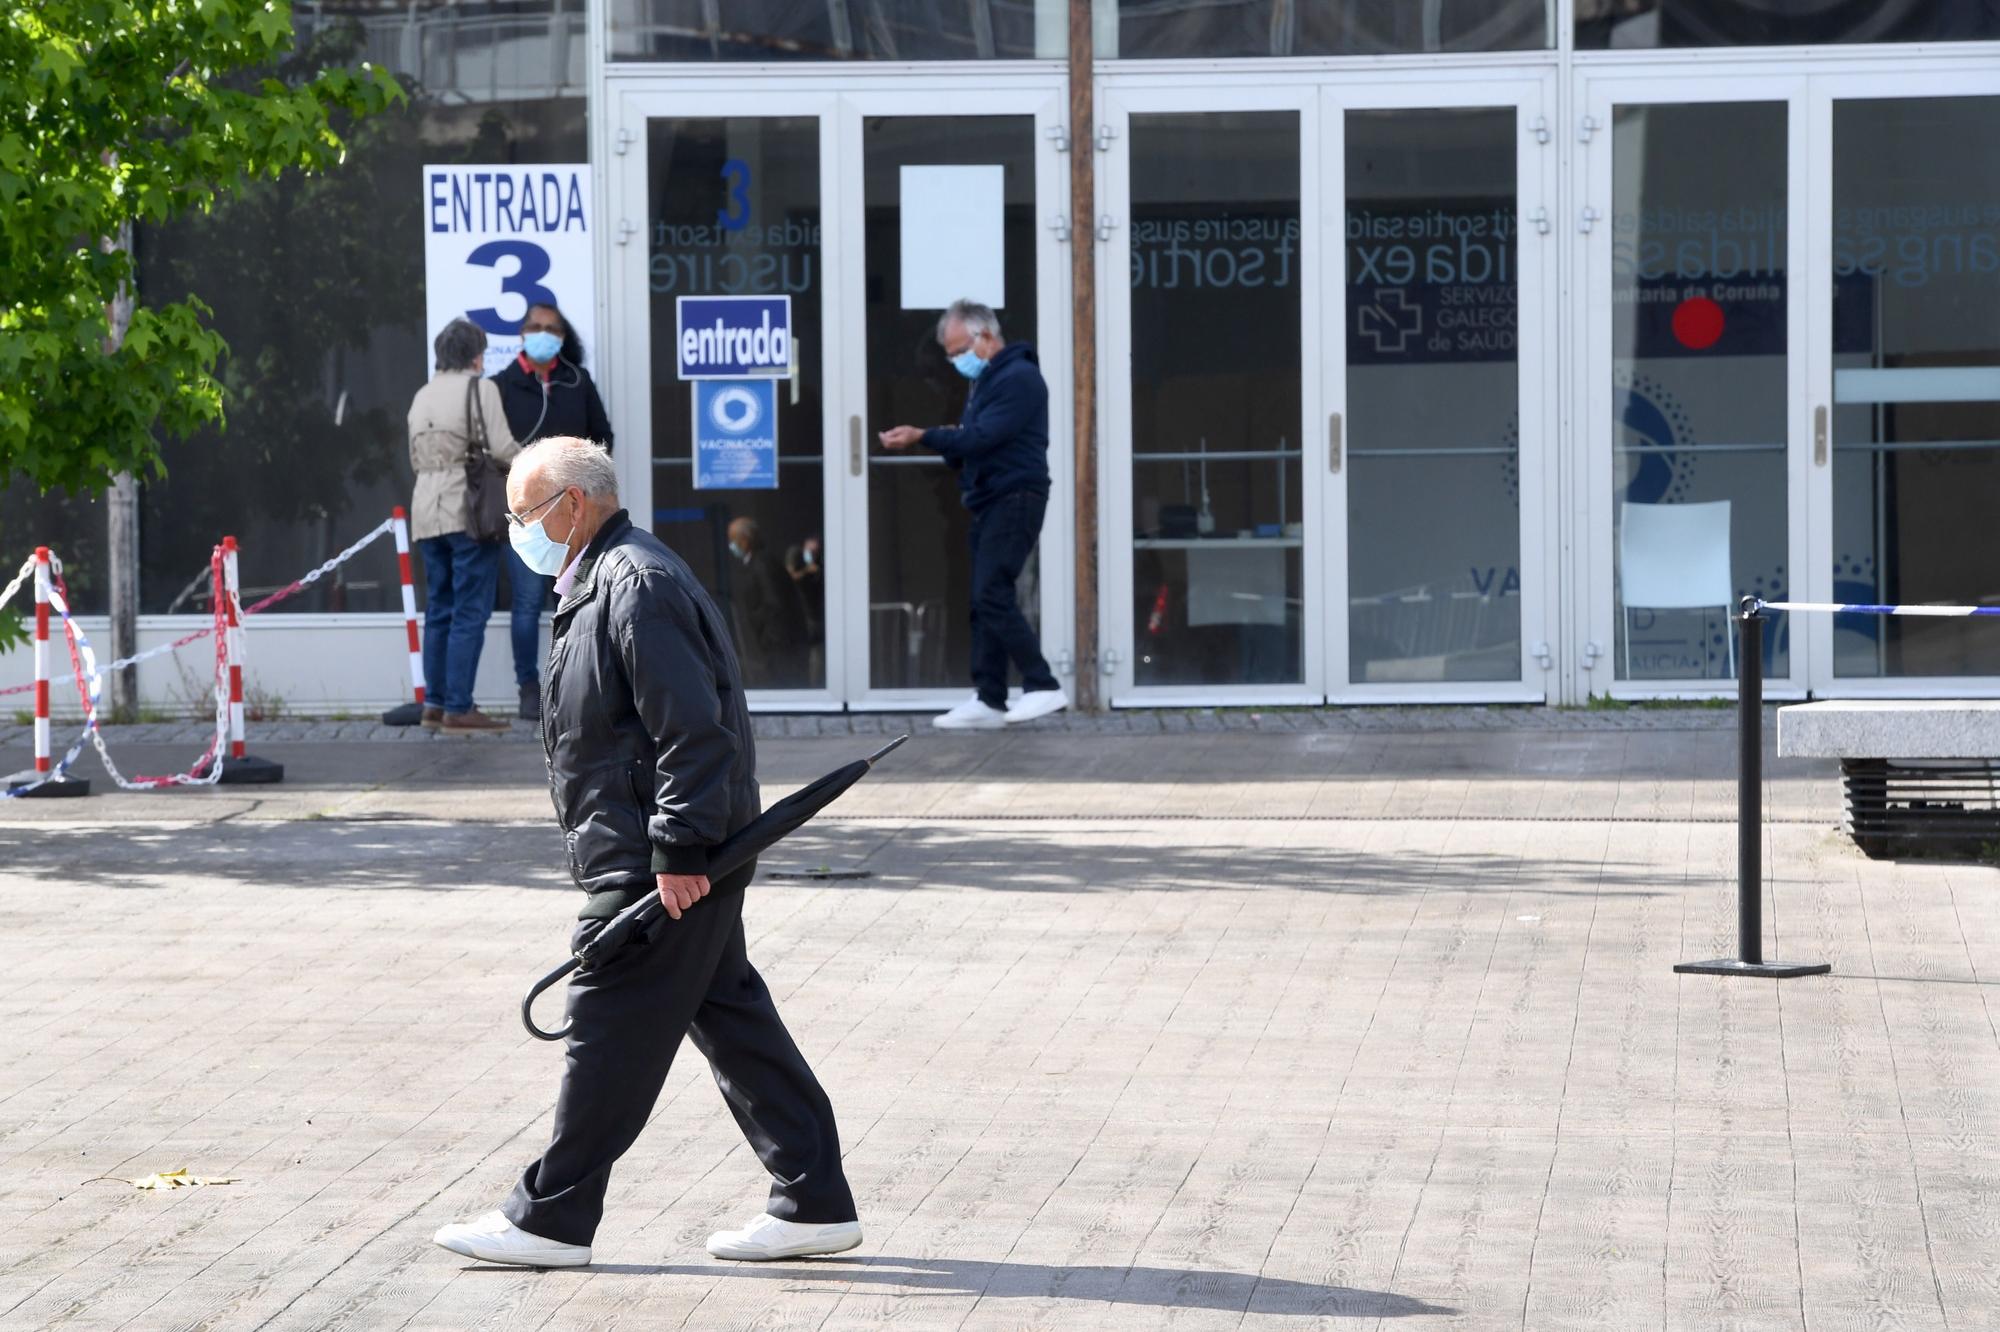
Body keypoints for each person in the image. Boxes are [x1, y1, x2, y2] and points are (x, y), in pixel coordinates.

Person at [432, 437, 861, 1269]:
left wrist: (676, 851)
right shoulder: (600, 581)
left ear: (574, 506)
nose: (517, 529)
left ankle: (548, 1218)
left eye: (525, 513)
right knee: (732, 1017)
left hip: (661, 858)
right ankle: (813, 1199)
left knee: (606, 1021)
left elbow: (693, 734)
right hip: (658, 849)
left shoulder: (636, 585)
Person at [878, 299, 1067, 730]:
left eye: (958, 349)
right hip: (990, 498)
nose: (954, 360)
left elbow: (982, 437)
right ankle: (989, 696)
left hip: (1014, 497)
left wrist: (924, 435)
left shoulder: (1018, 378)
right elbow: (972, 439)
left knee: (992, 593)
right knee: (982, 599)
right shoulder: (987, 381)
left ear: (985, 336)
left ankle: (1042, 684)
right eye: (949, 352)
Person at [490, 301, 614, 724]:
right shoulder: (501, 385)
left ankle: (584, 686)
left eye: (551, 328)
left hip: (577, 512)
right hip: (530, 516)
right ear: (522, 333)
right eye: (535, 327)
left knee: (584, 596)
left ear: (562, 337)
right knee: (526, 602)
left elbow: (603, 438)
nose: (542, 333)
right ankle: (530, 689)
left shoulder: (577, 382)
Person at [406, 318, 521, 736]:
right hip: (468, 508)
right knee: (470, 609)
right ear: (476, 356)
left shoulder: (422, 396)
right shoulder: (481, 388)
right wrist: (541, 464)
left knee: (439, 608)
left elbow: (415, 456)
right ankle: (459, 707)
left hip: (426, 508)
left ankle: (434, 704)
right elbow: (504, 448)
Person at [725, 517, 808, 688]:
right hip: (775, 641)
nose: (731, 545)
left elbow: (773, 603)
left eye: (733, 540)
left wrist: (765, 633)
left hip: (780, 643)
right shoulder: (757, 562)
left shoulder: (762, 564)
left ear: (745, 540)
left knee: (783, 683)